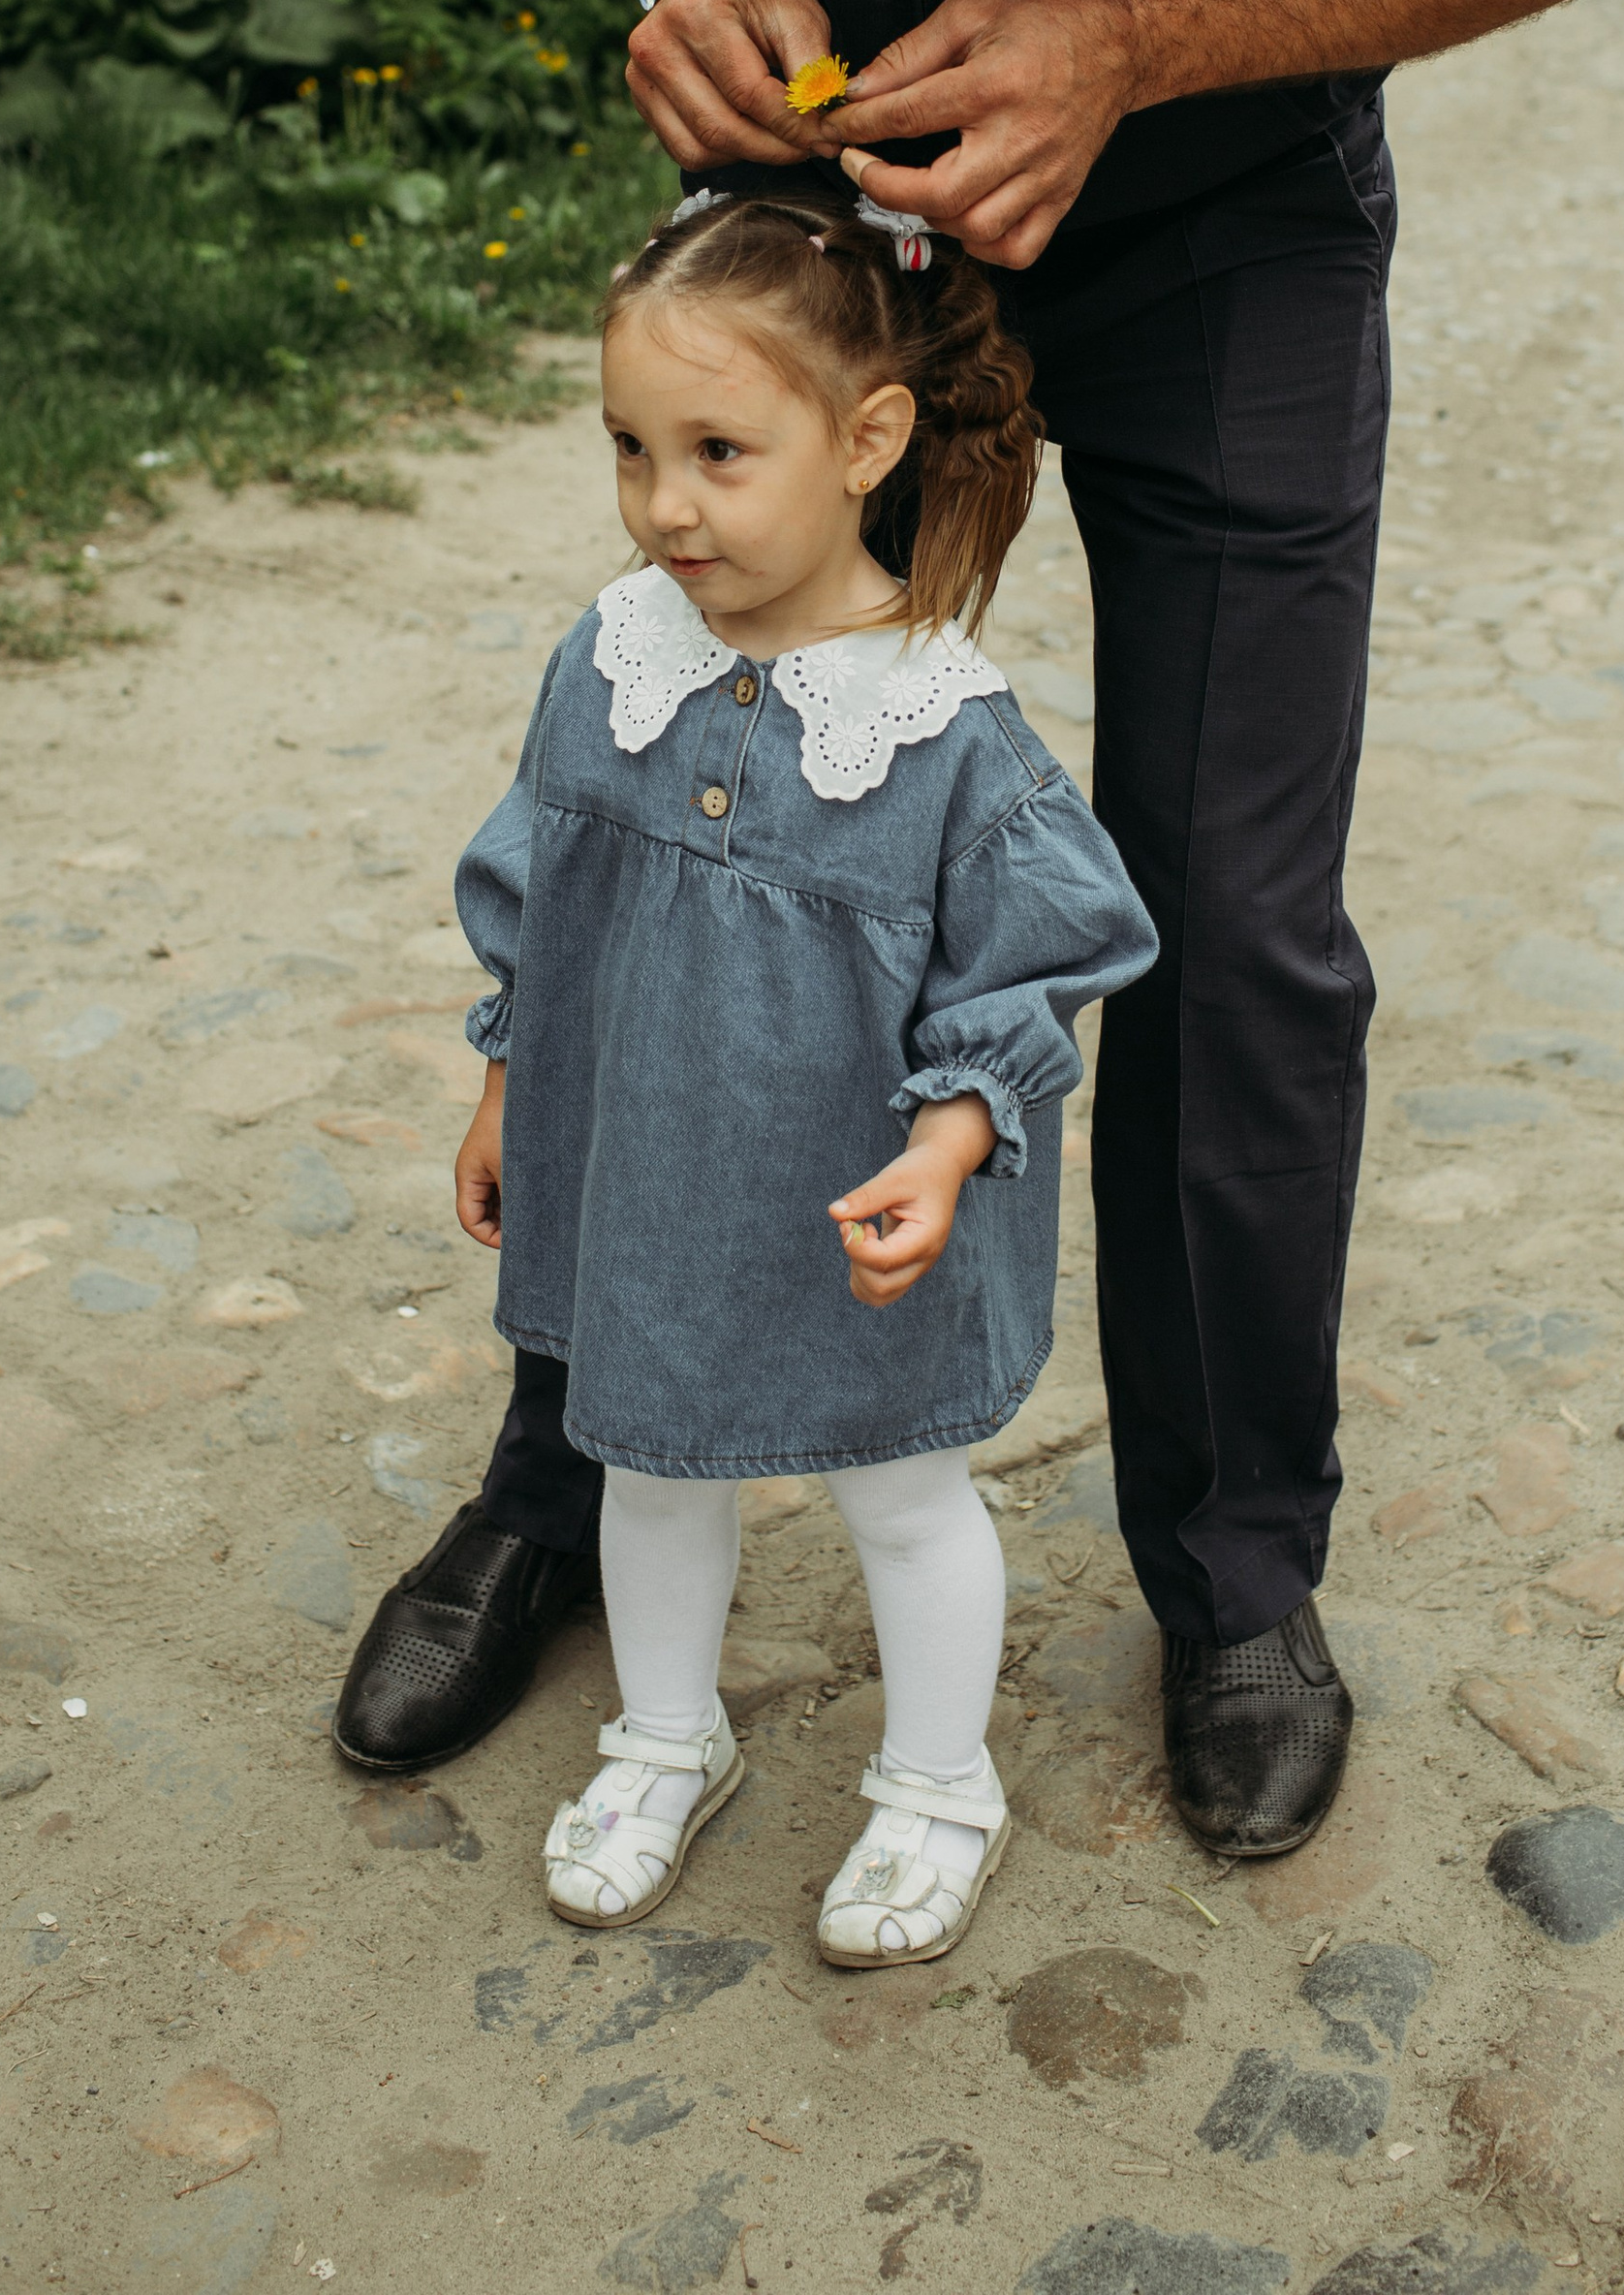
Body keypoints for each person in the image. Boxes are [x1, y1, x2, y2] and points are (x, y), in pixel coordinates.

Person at [337, 0, 1624, 1855]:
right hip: (813, 225)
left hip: (1212, 217)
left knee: (1225, 911)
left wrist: (1132, 41)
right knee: (664, 836)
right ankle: (571, 1469)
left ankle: (1234, 1570)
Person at [443, 166, 1154, 1960]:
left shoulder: (940, 729)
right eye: (630, 450)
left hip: (862, 1197)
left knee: (900, 1492)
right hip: (651, 1174)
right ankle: (663, 1739)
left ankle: (939, 1785)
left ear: (867, 441)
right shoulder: (614, 656)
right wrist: (510, 1079)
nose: (664, 505)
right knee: (650, 1459)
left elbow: (1039, 965)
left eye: (718, 453)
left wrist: (949, 1144)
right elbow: (546, 891)